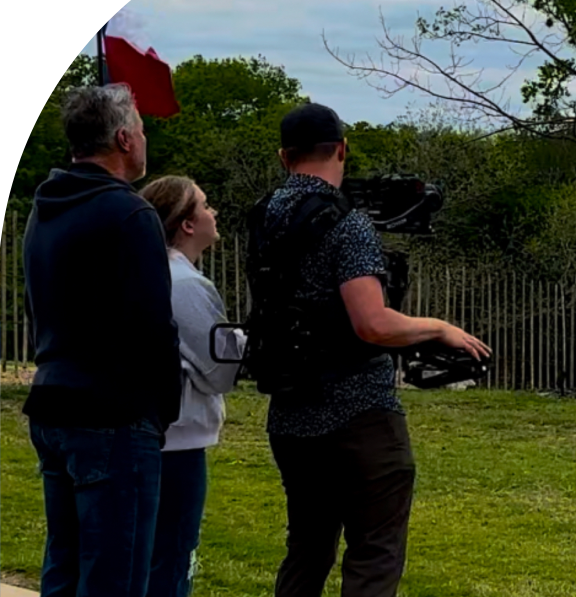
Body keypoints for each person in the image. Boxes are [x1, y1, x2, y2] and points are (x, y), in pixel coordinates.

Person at [258, 102, 492, 597]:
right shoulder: (349, 224)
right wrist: (437, 328)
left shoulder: (264, 219)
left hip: (290, 409)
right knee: (374, 550)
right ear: (342, 149)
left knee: (307, 546)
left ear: (284, 157)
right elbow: (373, 324)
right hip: (357, 412)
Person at [21, 84, 183, 597]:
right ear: (122, 139)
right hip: (114, 414)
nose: (143, 135)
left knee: (64, 567)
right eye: (138, 126)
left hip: (54, 398)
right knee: (115, 572)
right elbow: (155, 327)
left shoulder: (44, 209)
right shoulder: (130, 215)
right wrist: (160, 413)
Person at [138, 176, 247, 597]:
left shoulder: (144, 271)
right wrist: (241, 344)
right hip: (179, 442)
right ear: (186, 223)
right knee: (172, 557)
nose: (212, 212)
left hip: (146, 434)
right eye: (204, 205)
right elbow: (221, 368)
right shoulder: (185, 285)